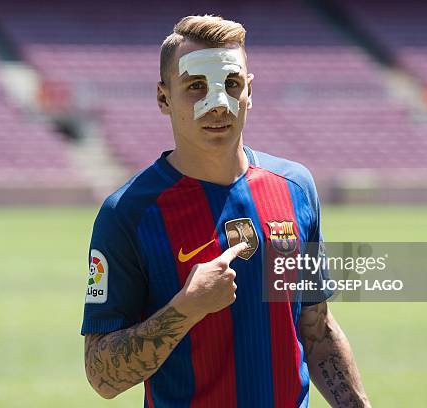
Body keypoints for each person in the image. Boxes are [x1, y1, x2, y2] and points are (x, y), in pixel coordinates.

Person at [82, 15, 371, 407]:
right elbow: (102, 377)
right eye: (196, 87)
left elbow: (316, 328)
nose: (217, 104)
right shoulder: (127, 214)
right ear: (164, 98)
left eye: (231, 85)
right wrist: (186, 308)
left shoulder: (295, 188)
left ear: (249, 91)